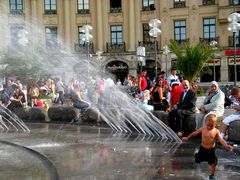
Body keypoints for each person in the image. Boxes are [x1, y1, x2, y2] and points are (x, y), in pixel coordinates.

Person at [182, 114, 233, 180]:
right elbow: (195, 133)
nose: (209, 127)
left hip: (211, 150)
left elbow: (221, 140)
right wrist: (187, 138)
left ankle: (212, 175)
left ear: (215, 124)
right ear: (205, 123)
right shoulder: (203, 129)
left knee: (213, 163)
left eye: (211, 126)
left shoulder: (216, 131)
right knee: (198, 160)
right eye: (207, 125)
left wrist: (226, 146)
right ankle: (196, 155)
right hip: (203, 148)